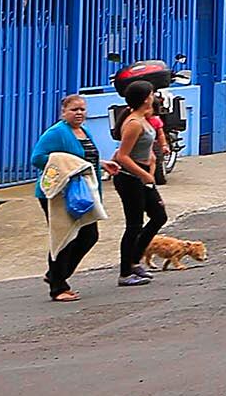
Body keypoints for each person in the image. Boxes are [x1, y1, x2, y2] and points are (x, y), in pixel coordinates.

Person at [31, 92, 105, 302]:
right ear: (64, 112)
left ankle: (56, 274)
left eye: (82, 109)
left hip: (83, 193)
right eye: (74, 109)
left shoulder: (84, 131)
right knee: (65, 236)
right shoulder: (56, 133)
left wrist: (104, 164)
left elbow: (85, 159)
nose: (79, 113)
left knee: (89, 235)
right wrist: (66, 167)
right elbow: (38, 158)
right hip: (59, 194)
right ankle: (58, 287)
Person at [108, 75, 168, 286]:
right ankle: (125, 272)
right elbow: (122, 155)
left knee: (159, 216)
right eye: (151, 94)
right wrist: (144, 175)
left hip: (143, 174)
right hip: (130, 178)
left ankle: (135, 260)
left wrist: (151, 161)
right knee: (134, 225)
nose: (153, 97)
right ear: (145, 98)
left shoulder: (145, 118)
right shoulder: (133, 123)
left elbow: (144, 147)